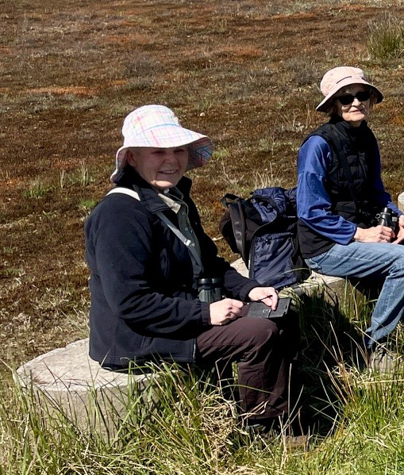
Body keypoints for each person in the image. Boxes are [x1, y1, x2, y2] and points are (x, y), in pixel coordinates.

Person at [85, 105, 294, 429]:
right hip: (136, 338)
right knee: (260, 333)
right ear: (132, 158)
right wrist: (206, 315)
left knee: (278, 312)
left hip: (178, 313)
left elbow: (207, 262)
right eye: (157, 151)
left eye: (178, 149)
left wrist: (249, 288)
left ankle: (254, 408)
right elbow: (130, 303)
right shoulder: (119, 215)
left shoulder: (175, 199)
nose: (171, 160)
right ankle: (267, 431)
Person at [297, 67, 404, 356]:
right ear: (332, 106)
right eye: (346, 99)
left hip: (366, 227)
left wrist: (396, 216)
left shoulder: (366, 137)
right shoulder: (317, 146)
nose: (356, 103)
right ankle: (376, 344)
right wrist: (361, 234)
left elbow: (377, 192)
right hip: (326, 244)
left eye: (362, 95)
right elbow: (310, 211)